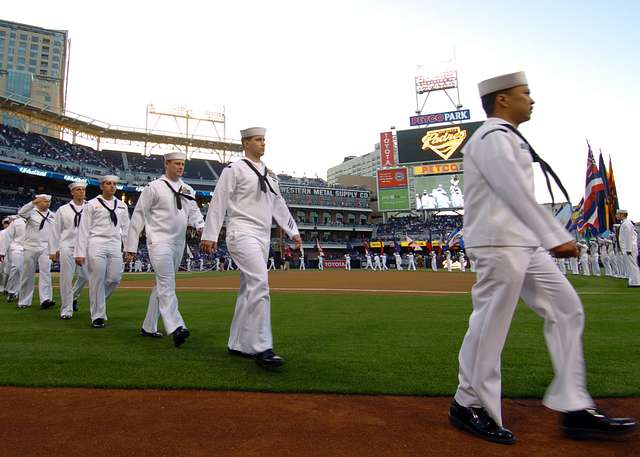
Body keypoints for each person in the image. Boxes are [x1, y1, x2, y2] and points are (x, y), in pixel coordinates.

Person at [449, 71, 636, 444]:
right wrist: (555, 236)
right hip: (499, 242)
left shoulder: (508, 137)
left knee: (567, 309)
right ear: (502, 99)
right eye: (525, 93)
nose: (531, 100)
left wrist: (543, 238)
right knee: (490, 324)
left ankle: (575, 407)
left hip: (523, 242)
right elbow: (513, 191)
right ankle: (467, 404)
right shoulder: (490, 137)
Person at [200, 126, 301, 369]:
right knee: (260, 283)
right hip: (241, 232)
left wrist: (293, 230)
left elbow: (279, 205)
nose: (263, 143)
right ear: (246, 143)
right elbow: (219, 200)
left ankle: (237, 343)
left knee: (248, 289)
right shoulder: (234, 169)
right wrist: (210, 234)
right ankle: (262, 347)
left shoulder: (270, 174)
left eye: (264, 139)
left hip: (262, 236)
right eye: (258, 140)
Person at [125, 152, 205, 346]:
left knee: (162, 284)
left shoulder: (187, 189)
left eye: (182, 164)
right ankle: (176, 326)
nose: (180, 167)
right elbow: (138, 217)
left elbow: (193, 212)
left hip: (179, 242)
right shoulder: (153, 188)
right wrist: (131, 246)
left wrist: (202, 227)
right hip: (159, 241)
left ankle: (148, 326)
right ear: (166, 164)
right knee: (167, 282)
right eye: (177, 163)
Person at [75, 175, 130, 328]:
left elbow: (126, 228)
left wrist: (129, 247)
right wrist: (80, 252)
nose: (112, 186)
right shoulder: (91, 204)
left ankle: (99, 302)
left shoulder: (122, 205)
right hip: (96, 242)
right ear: (101, 186)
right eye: (108, 183)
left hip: (114, 242)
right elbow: (83, 229)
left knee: (114, 278)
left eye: (114, 184)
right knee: (97, 279)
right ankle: (97, 316)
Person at [50, 182, 89, 319]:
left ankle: (73, 297)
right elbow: (56, 230)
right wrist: (54, 249)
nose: (81, 192)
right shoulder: (63, 209)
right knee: (66, 278)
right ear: (72, 192)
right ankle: (66, 310)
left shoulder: (91, 207)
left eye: (83, 189)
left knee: (86, 276)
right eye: (78, 190)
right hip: (67, 245)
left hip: (85, 246)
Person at [17, 195, 55, 309]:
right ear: (38, 202)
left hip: (46, 247)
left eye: (49, 201)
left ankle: (46, 299)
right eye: (44, 201)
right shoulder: (31, 213)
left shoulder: (53, 215)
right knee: (27, 274)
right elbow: (21, 213)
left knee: (46, 273)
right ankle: (24, 301)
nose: (47, 203)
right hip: (30, 246)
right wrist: (32, 203)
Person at [0, 215, 25, 302]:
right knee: (11, 270)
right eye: (7, 222)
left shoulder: (24, 226)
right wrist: (2, 253)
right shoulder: (4, 232)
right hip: (9, 253)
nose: (9, 223)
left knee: (20, 271)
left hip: (21, 250)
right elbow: (4, 243)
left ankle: (16, 292)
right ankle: (9, 289)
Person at [617, 209, 640, 287]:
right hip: (628, 248)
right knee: (630, 266)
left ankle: (635, 282)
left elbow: (628, 237)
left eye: (618, 214)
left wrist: (628, 249)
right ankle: (633, 281)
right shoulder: (625, 223)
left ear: (622, 214)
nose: (617, 216)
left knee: (632, 265)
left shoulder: (626, 224)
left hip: (629, 248)